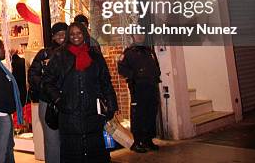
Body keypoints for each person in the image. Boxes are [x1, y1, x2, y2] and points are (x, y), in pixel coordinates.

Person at [42, 22, 117, 163]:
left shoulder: (95, 56)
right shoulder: (60, 56)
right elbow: (47, 82)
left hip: (93, 112)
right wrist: (59, 100)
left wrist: (111, 105)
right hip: (69, 113)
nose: (75, 36)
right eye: (72, 34)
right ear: (68, 36)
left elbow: (105, 81)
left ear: (84, 34)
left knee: (95, 151)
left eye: (79, 33)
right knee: (73, 152)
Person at [27, 22, 68, 163]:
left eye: (64, 32)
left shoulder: (74, 52)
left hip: (70, 102)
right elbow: (33, 75)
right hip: (49, 103)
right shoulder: (44, 53)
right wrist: (47, 87)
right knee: (52, 141)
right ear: (53, 36)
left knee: (70, 139)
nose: (61, 36)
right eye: (58, 33)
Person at [117, 34, 161, 153]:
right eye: (137, 34)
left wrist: (156, 74)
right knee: (138, 115)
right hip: (138, 88)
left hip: (151, 87)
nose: (140, 36)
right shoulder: (128, 52)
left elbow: (156, 66)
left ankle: (148, 140)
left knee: (151, 114)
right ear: (133, 36)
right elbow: (121, 68)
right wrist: (134, 76)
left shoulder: (149, 51)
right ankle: (137, 142)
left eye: (142, 34)